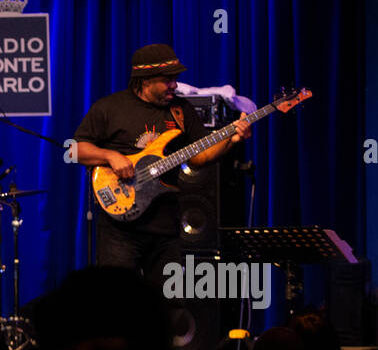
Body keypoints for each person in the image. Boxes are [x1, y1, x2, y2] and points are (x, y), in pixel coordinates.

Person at [72, 44, 250, 278]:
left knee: (171, 307)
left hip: (166, 226)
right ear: (145, 81)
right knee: (118, 303)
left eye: (174, 79)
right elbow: (73, 150)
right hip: (120, 228)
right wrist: (110, 156)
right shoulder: (109, 108)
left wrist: (232, 139)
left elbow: (199, 158)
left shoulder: (180, 110)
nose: (174, 85)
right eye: (167, 80)